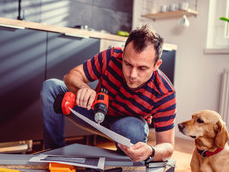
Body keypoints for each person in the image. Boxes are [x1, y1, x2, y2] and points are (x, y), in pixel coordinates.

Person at [40, 24, 176, 162]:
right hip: (93, 111)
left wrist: (151, 151)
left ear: (156, 65)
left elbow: (168, 147)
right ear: (123, 55)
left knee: (132, 130)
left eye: (142, 68)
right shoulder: (111, 56)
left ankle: (125, 162)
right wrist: (83, 88)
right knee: (51, 87)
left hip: (126, 128)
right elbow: (72, 76)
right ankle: (53, 153)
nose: (132, 75)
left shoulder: (165, 93)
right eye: (128, 64)